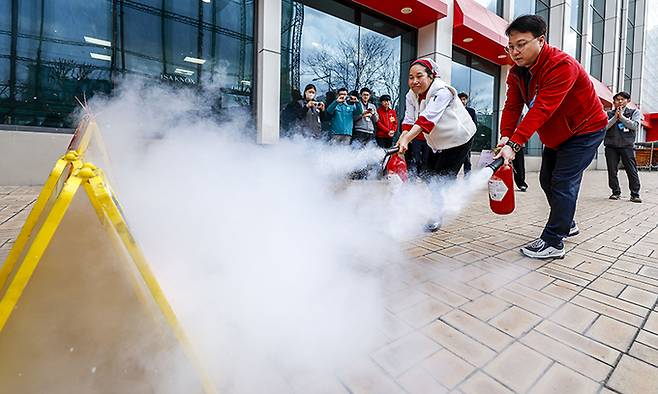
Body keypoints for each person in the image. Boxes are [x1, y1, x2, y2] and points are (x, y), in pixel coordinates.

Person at [494, 15, 608, 259]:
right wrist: (505, 137)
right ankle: (567, 223)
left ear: (541, 40)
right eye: (511, 46)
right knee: (547, 180)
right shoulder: (517, 73)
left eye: (521, 44)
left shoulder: (561, 65)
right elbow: (512, 107)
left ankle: (554, 241)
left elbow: (543, 107)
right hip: (556, 135)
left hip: (585, 130)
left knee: (562, 181)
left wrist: (515, 143)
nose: (514, 51)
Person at [397, 58, 477, 231]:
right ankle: (440, 197)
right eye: (410, 77)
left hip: (459, 139)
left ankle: (436, 214)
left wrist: (406, 139)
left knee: (441, 178)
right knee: (427, 173)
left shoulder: (443, 92)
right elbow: (409, 119)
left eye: (419, 76)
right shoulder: (410, 96)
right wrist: (403, 137)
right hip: (436, 141)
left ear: (431, 76)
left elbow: (426, 119)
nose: (414, 81)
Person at [604, 91, 642, 202]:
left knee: (631, 170)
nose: (620, 101)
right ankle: (615, 192)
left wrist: (622, 117)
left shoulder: (634, 112)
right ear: (614, 102)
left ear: (628, 101)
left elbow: (634, 126)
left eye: (622, 99)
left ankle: (635, 194)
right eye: (617, 99)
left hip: (627, 145)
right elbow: (605, 127)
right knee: (612, 170)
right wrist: (615, 118)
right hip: (611, 145)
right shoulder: (609, 113)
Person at [458, 92, 478, 175]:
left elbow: (475, 125)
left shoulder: (471, 111)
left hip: (468, 138)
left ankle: (467, 178)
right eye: (461, 99)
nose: (462, 101)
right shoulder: (454, 111)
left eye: (464, 99)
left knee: (467, 159)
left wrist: (470, 136)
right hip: (457, 138)